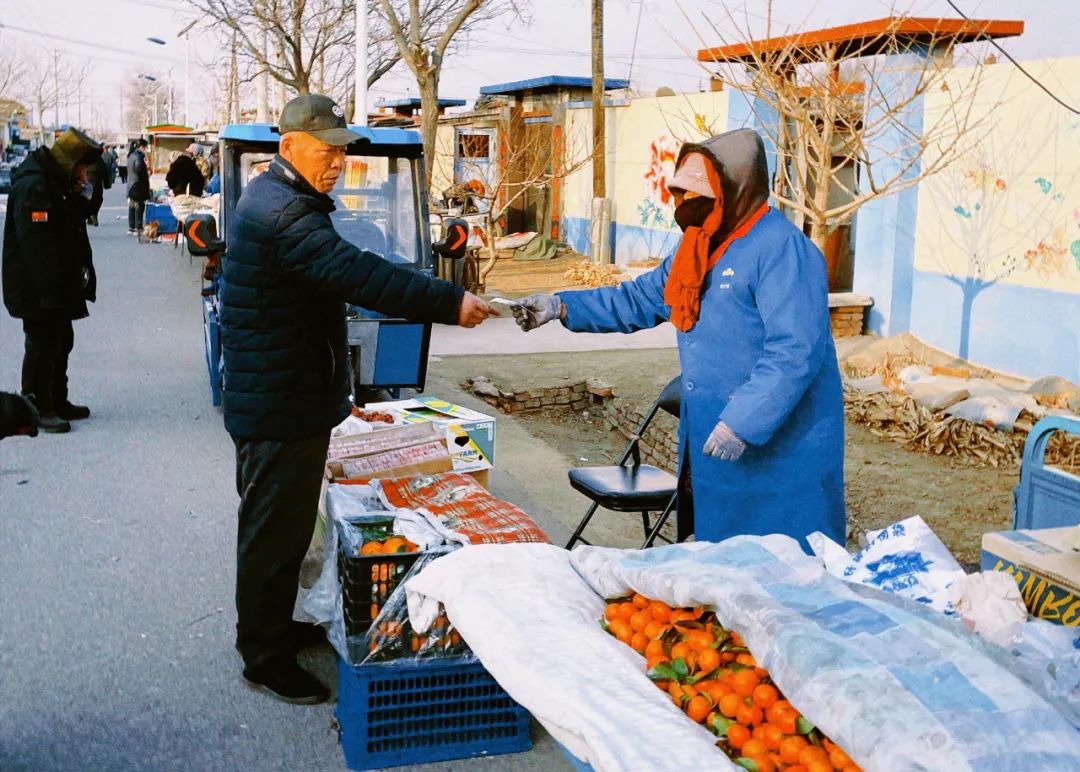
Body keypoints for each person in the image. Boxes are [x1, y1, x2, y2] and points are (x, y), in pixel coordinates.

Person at [221, 94, 497, 705]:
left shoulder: (282, 200)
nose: (337, 164)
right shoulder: (284, 214)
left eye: (342, 152)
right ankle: (262, 656)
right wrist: (449, 303)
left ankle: (269, 630)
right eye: (327, 151)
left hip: (284, 393)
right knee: (272, 531)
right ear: (288, 146)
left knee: (283, 528)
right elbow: (361, 275)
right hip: (277, 402)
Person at [513, 128, 845, 550]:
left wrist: (743, 422)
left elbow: (795, 351)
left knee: (783, 566)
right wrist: (561, 306)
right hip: (713, 438)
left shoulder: (782, 249)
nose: (688, 204)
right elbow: (639, 298)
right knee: (723, 563)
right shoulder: (699, 246)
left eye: (700, 194)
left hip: (779, 447)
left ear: (736, 188)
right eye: (682, 193)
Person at [2, 127, 102, 433]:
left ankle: (58, 399)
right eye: (83, 168)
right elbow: (37, 249)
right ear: (70, 163)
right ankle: (37, 407)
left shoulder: (56, 182)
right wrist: (50, 294)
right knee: (42, 345)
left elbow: (70, 223)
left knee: (61, 341)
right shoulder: (35, 187)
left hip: (55, 285)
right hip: (36, 288)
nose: (85, 173)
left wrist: (85, 193)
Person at [126, 138, 150, 235]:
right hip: (138, 185)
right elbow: (139, 170)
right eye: (145, 147)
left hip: (131, 185)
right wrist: (146, 171)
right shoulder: (138, 157)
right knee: (139, 207)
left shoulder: (131, 155)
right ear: (141, 147)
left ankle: (131, 227)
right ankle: (138, 227)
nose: (146, 149)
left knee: (132, 206)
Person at [86, 145, 112, 226]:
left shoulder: (85, 161)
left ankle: (90, 216)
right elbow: (105, 173)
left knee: (87, 201)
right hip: (97, 185)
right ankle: (93, 215)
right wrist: (107, 185)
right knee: (97, 200)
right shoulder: (100, 161)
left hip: (86, 185)